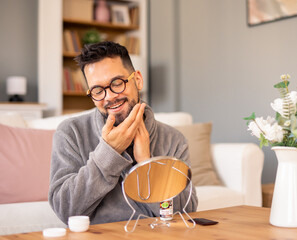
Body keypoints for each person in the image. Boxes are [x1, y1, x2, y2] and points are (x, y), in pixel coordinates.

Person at [48, 41, 198, 225]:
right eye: (97, 90)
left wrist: (146, 165)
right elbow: (66, 210)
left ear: (138, 80)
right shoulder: (71, 133)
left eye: (117, 83)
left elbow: (186, 212)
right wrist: (108, 154)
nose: (109, 97)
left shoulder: (174, 140)